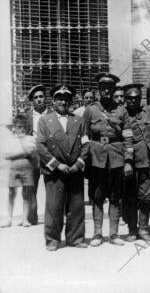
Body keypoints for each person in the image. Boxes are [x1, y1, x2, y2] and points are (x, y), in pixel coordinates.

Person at [82, 73, 134, 246]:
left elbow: (128, 137)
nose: (106, 90)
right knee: (97, 196)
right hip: (96, 157)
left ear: (113, 90)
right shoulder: (90, 110)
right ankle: (97, 234)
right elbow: (84, 136)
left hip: (117, 157)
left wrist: (128, 161)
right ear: (98, 90)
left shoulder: (121, 111)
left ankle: (113, 234)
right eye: (103, 88)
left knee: (115, 195)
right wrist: (87, 157)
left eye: (109, 88)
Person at [36, 84, 90, 250]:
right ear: (53, 101)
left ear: (70, 101)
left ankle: (75, 238)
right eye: (59, 99)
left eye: (66, 99)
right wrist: (57, 165)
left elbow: (86, 144)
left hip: (74, 170)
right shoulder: (45, 121)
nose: (63, 102)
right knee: (54, 206)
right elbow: (41, 146)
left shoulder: (78, 121)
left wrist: (79, 164)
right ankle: (52, 240)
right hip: (55, 171)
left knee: (76, 205)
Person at [123, 84, 150, 243]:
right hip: (133, 163)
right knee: (131, 197)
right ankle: (132, 230)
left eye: (136, 98)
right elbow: (125, 141)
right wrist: (128, 162)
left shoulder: (148, 110)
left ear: (140, 99)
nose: (133, 101)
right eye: (130, 98)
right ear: (126, 100)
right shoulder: (123, 115)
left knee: (147, 196)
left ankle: (143, 229)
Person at [0, 115, 36, 228]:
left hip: (27, 168)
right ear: (14, 127)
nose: (21, 129)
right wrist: (21, 153)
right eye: (18, 126)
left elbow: (31, 152)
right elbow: (6, 155)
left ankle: (25, 219)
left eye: (23, 126)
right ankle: (9, 219)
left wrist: (16, 152)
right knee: (11, 193)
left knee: (26, 194)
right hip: (14, 168)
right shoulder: (10, 139)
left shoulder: (30, 138)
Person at [25, 84, 52, 225]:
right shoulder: (27, 116)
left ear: (45, 98)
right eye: (36, 97)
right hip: (33, 156)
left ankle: (51, 217)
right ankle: (32, 217)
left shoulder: (52, 114)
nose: (39, 99)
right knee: (31, 187)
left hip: (49, 155)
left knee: (51, 186)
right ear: (32, 100)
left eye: (41, 96)